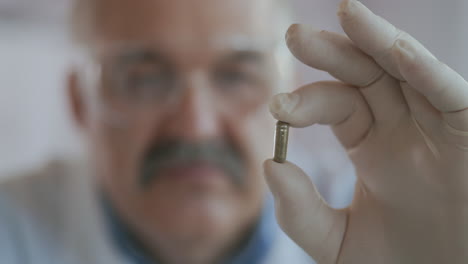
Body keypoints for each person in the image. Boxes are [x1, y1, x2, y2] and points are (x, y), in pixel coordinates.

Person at [2, 0, 468, 264]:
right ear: (81, 103)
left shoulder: (392, 218)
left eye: (235, 75)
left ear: (289, 91)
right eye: (144, 77)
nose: (196, 126)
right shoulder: (12, 231)